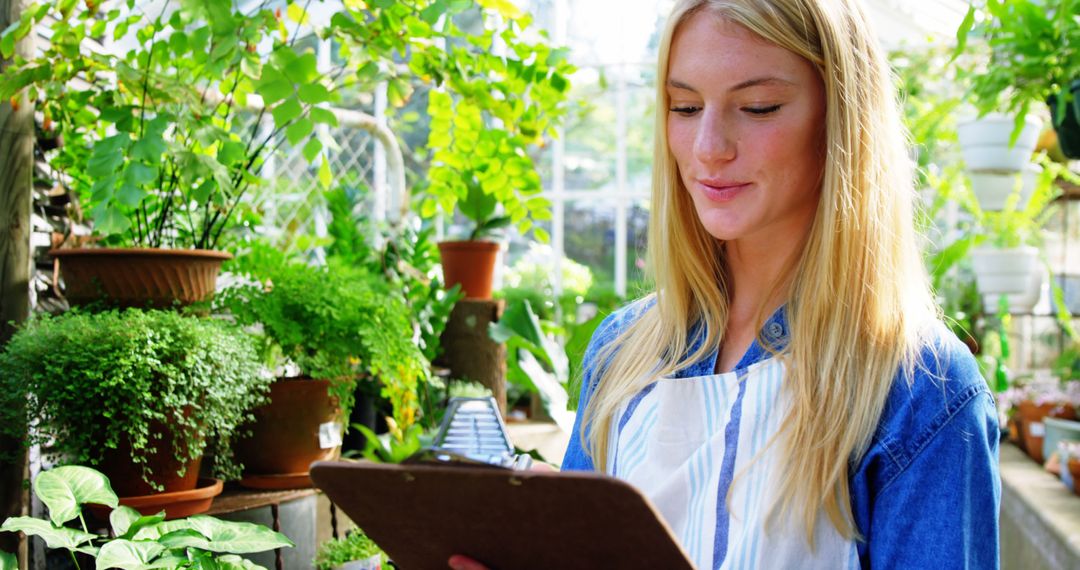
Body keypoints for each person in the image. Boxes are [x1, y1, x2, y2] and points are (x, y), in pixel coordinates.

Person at [450, 0, 1000, 568]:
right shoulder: (622, 354)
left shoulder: (918, 389)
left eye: (758, 107)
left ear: (842, 119)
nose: (709, 146)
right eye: (685, 107)